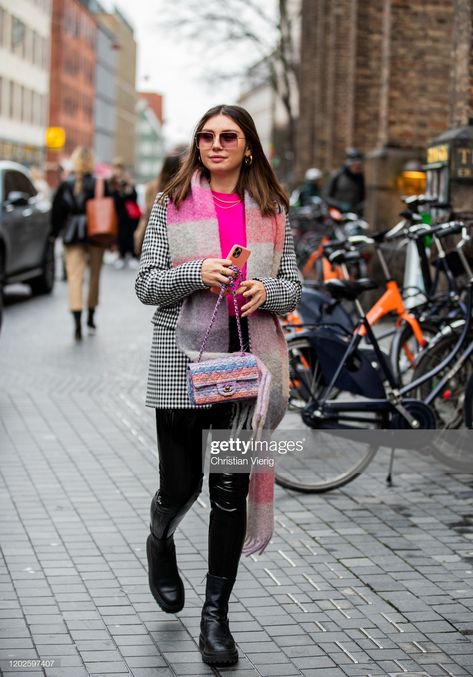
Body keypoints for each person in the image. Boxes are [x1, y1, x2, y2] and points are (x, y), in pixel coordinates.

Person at [135, 104, 301, 666]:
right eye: (206, 136)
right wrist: (195, 273)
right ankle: (161, 538)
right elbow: (147, 285)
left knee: (228, 494)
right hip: (182, 368)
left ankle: (216, 620)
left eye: (228, 136)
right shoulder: (171, 204)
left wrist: (266, 292)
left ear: (248, 145)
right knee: (182, 488)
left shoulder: (274, 211)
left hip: (247, 370)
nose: (216, 143)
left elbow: (293, 287)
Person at [51, 146, 108, 340]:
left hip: (71, 235)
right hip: (96, 235)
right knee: (94, 278)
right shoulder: (99, 183)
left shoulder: (66, 184)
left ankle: (77, 323)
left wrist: (53, 233)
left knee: (74, 279)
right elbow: (110, 209)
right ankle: (90, 317)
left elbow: (57, 212)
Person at [133, 147, 186, 257]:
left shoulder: (152, 186)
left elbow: (148, 211)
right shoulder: (182, 188)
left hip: (151, 232)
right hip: (177, 235)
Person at [108, 158, 140, 268]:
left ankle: (131, 255)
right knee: (120, 236)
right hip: (118, 214)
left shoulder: (128, 181)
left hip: (130, 216)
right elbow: (113, 199)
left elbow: (134, 197)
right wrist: (120, 192)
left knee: (130, 235)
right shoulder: (112, 182)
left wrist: (128, 188)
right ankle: (121, 255)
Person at [325, 147, 365, 215]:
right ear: (348, 164)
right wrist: (340, 205)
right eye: (355, 165)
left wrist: (360, 207)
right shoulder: (336, 176)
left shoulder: (360, 178)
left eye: (359, 166)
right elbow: (326, 197)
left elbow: (363, 197)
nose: (357, 168)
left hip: (353, 215)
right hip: (336, 215)